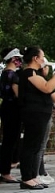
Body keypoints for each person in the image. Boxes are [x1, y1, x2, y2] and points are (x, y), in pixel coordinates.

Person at [17, 47, 55, 190]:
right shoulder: (29, 73)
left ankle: (33, 176)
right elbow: (46, 87)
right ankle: (26, 177)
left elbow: (54, 95)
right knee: (30, 146)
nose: (44, 60)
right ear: (35, 58)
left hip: (41, 115)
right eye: (42, 56)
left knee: (36, 146)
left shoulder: (37, 75)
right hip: (33, 114)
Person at [0, 48, 23, 183]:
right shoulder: (12, 75)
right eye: (18, 59)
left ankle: (5, 168)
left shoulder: (3, 74)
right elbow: (18, 95)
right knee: (10, 140)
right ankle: (5, 172)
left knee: (8, 140)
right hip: (13, 109)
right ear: (13, 59)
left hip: (5, 107)